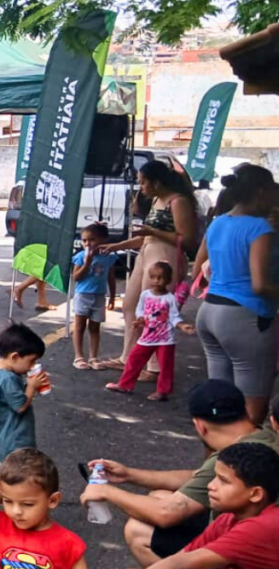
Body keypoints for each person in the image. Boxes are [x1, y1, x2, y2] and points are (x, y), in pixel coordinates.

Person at [80, 380, 279, 569]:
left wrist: (107, 491)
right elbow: (197, 480)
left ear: (199, 425)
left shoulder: (256, 527)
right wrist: (129, 475)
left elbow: (176, 553)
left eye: (222, 480)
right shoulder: (261, 442)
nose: (211, 484)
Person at [96, 442, 279, 569]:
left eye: (223, 481)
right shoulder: (229, 517)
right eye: (214, 476)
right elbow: (180, 559)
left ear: (255, 494)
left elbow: (179, 568)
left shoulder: (262, 527)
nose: (211, 485)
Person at [192, 165, 279, 425]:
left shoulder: (218, 222)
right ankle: (242, 462)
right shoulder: (259, 229)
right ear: (262, 193)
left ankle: (214, 461)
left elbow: (200, 268)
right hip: (244, 318)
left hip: (209, 312)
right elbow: (260, 285)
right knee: (252, 409)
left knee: (220, 403)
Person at [102, 160, 199, 371]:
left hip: (166, 254)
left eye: (144, 182)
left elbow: (187, 239)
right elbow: (145, 237)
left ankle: (154, 366)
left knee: (153, 309)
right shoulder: (156, 200)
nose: (141, 187)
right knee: (131, 305)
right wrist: (116, 245)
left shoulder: (178, 201)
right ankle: (128, 358)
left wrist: (153, 232)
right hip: (146, 251)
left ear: (157, 182)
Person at [105, 262, 197, 401]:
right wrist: (140, 319)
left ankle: (162, 391)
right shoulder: (145, 295)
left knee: (166, 366)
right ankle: (124, 385)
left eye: (160, 277)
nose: (156, 281)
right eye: (153, 277)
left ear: (168, 279)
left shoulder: (169, 298)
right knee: (134, 360)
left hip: (165, 338)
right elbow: (140, 309)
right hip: (147, 337)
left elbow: (173, 316)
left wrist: (181, 325)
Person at [0, 323, 48, 467]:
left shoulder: (2, 374)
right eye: (31, 361)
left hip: (5, 438)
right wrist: (32, 387)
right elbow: (20, 406)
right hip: (14, 440)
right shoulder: (7, 379)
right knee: (17, 476)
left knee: (10, 474)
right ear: (15, 356)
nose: (33, 365)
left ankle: (0, 489)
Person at [72, 223, 118, 370]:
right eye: (84, 240)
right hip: (83, 295)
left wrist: (112, 297)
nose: (87, 244)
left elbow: (111, 277)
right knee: (79, 326)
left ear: (103, 240)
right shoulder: (80, 257)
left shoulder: (108, 258)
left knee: (95, 326)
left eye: (91, 240)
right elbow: (76, 277)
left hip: (99, 295)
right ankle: (78, 356)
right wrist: (87, 264)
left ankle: (93, 357)